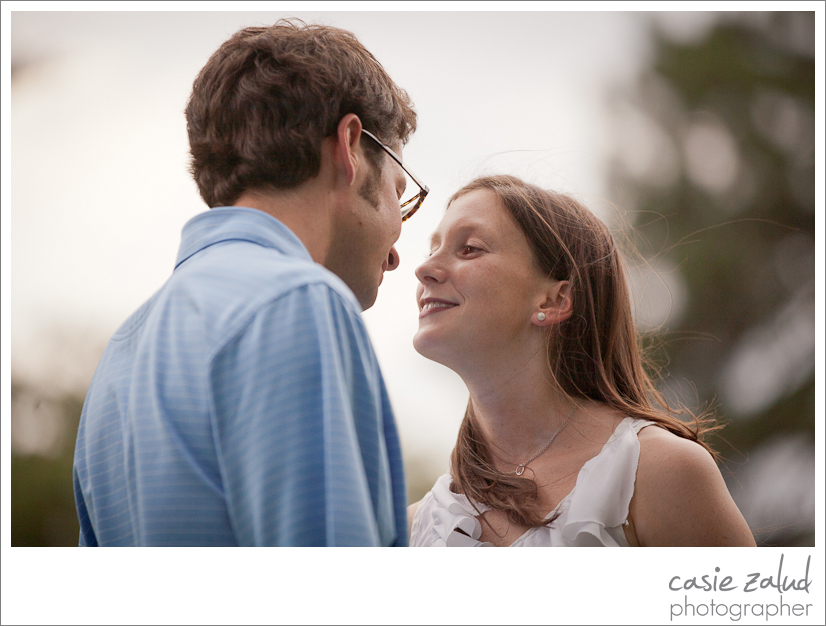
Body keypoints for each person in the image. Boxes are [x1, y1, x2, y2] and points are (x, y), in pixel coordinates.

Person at [72, 20, 429, 546]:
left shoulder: (121, 354)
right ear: (350, 146)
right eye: (401, 193)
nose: (398, 253)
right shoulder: (298, 301)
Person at [408, 175, 755, 547]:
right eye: (433, 249)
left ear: (554, 300)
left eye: (470, 248)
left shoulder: (660, 474)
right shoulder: (413, 526)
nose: (424, 269)